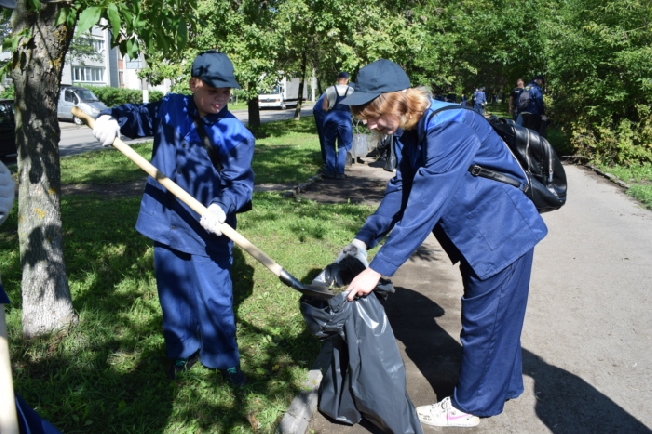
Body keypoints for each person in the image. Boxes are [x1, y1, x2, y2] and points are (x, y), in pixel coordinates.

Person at [338, 59, 548, 428]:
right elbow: (401, 189)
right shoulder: (409, 131)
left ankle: (470, 406)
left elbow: (424, 205)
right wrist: (363, 238)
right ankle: (505, 386)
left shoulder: (453, 126)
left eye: (370, 114)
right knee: (498, 318)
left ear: (393, 102)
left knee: (485, 323)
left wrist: (378, 270)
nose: (367, 124)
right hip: (479, 236)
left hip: (500, 235)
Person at [91, 51, 254, 387]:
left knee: (216, 294)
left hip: (209, 228)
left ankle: (223, 357)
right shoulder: (171, 107)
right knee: (173, 293)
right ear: (194, 83)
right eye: (213, 90)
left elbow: (240, 184)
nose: (221, 98)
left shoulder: (236, 133)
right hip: (165, 220)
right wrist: (110, 118)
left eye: (227, 92)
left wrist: (222, 207)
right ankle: (182, 351)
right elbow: (138, 117)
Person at [321, 71, 354, 179]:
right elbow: (353, 108)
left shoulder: (329, 90)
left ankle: (330, 170)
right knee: (343, 145)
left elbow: (324, 107)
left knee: (329, 143)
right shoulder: (352, 90)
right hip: (345, 118)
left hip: (332, 116)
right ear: (347, 80)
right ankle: (340, 172)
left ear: (337, 79)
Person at [313, 91, 328, 166]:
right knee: (325, 136)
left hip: (320, 110)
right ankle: (327, 161)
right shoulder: (346, 92)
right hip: (321, 112)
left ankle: (329, 160)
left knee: (326, 136)